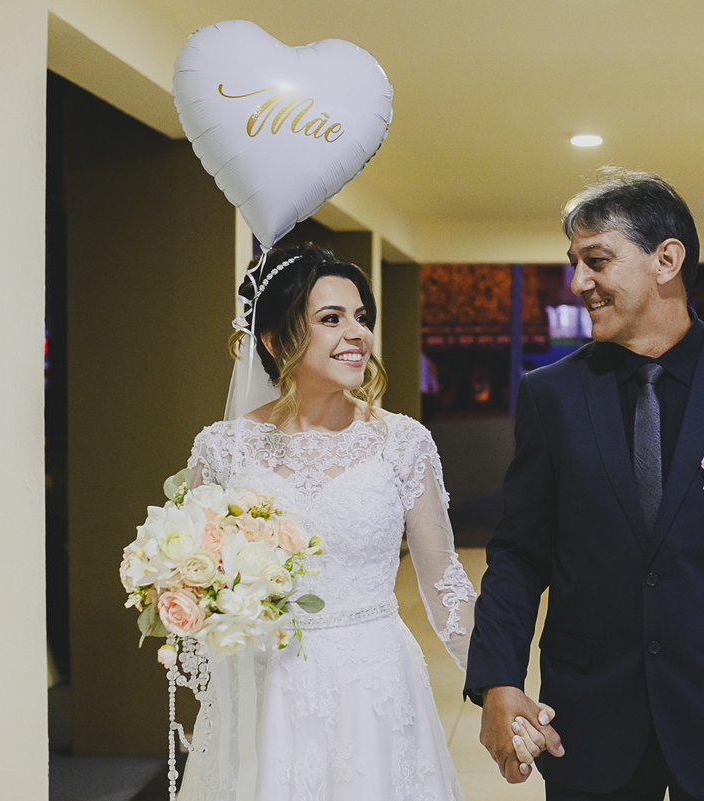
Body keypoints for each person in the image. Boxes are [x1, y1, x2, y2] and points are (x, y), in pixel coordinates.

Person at [465, 169, 704, 801]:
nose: (578, 283)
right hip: (589, 724)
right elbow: (520, 554)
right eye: (574, 263)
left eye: (596, 260)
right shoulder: (551, 396)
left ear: (667, 260)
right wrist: (497, 679)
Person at [176, 245, 540, 801]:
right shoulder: (224, 449)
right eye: (331, 319)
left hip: (375, 687)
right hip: (268, 688)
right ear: (273, 341)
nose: (357, 334)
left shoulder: (403, 442)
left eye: (362, 317)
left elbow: (444, 584)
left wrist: (496, 688)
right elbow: (195, 576)